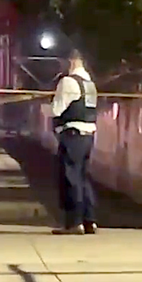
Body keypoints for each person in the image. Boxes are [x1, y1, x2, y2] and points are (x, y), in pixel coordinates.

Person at [50, 49, 98, 235]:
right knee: (83, 177)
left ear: (71, 61)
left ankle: (74, 222)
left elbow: (56, 109)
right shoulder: (90, 84)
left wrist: (49, 106)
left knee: (70, 177)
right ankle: (89, 220)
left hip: (72, 134)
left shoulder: (68, 82)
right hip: (88, 135)